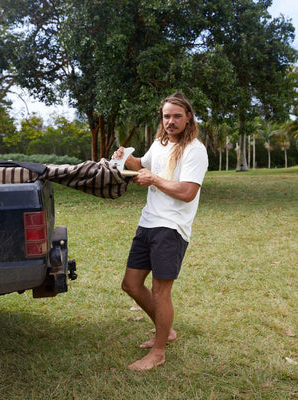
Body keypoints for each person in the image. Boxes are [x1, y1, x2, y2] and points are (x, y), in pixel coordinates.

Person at [112, 92, 208, 371]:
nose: (171, 121)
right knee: (130, 284)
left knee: (160, 291)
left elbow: (188, 192)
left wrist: (154, 178)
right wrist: (125, 157)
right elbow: (142, 166)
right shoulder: (160, 142)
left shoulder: (195, 150)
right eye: (166, 116)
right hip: (148, 223)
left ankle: (159, 350)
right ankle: (167, 330)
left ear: (188, 117)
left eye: (177, 116)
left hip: (171, 228)